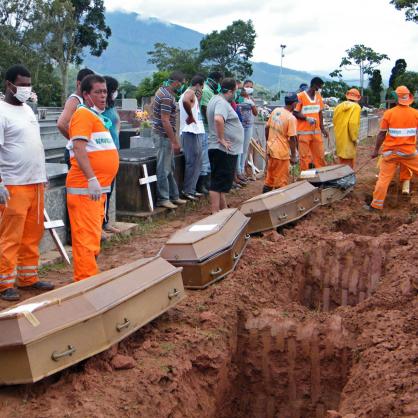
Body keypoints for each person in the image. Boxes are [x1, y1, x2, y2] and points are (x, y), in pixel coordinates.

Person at [0, 65, 54, 301]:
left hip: (36, 183)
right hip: (13, 184)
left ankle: (28, 277)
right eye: (21, 84)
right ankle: (4, 282)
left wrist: (43, 174)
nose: (25, 89)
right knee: (10, 236)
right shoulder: (1, 112)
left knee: (33, 234)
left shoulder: (28, 111)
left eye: (28, 84)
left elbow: (34, 145)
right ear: (9, 85)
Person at [66, 74, 119, 281]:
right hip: (85, 190)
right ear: (86, 94)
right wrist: (91, 178)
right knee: (86, 240)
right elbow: (79, 147)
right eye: (98, 92)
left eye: (105, 91)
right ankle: (85, 282)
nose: (103, 95)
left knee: (92, 238)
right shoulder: (83, 115)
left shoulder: (96, 116)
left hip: (96, 192)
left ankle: (89, 278)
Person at [369, 86, 418, 211]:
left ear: (396, 98)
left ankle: (376, 205)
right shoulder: (415, 114)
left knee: (383, 179)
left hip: (390, 153)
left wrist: (375, 151)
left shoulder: (389, 113)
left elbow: (381, 134)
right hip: (409, 153)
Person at [207, 78, 244, 213]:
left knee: (221, 182)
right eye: (236, 91)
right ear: (230, 91)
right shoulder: (221, 103)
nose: (236, 94)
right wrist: (221, 139)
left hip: (222, 149)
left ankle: (223, 210)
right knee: (217, 183)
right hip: (222, 149)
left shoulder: (216, 99)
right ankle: (215, 213)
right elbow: (218, 119)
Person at [152, 72, 187, 209]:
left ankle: (173, 195)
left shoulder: (162, 91)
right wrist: (174, 141)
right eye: (181, 83)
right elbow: (165, 120)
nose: (181, 86)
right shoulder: (166, 97)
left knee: (170, 167)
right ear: (176, 82)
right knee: (163, 168)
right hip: (163, 136)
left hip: (163, 135)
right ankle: (163, 198)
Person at [57, 68, 95, 166]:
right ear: (79, 83)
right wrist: (78, 142)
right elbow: (61, 124)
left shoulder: (83, 100)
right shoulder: (74, 100)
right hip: (74, 152)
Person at [263, 93, 299, 193]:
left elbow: (267, 128)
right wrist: (293, 156)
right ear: (294, 104)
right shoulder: (291, 118)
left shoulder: (276, 111)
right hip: (281, 153)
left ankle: (264, 200)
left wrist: (268, 142)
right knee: (281, 181)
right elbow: (292, 138)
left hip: (271, 150)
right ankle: (279, 203)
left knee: (270, 178)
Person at [179, 75, 205, 200]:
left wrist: (197, 101)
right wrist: (190, 116)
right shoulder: (190, 92)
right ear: (199, 84)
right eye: (203, 85)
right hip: (190, 132)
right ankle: (188, 190)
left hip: (195, 131)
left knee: (197, 162)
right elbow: (185, 101)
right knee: (192, 162)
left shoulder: (193, 95)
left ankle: (192, 189)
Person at [294, 77, 328, 171]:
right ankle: (305, 177)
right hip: (303, 132)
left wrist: (322, 128)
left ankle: (321, 175)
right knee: (305, 157)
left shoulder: (318, 96)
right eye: (319, 87)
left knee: (319, 155)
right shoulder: (300, 96)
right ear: (314, 85)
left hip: (316, 132)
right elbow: (295, 112)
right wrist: (306, 118)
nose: (319, 89)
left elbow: (320, 112)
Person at [198, 71, 223, 194]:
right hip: (206, 127)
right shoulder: (207, 91)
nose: (218, 84)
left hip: (208, 127)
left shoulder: (210, 90)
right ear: (214, 80)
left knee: (207, 156)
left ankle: (207, 183)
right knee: (205, 156)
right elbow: (204, 108)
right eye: (218, 81)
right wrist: (212, 123)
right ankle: (203, 184)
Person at [102, 76, 121, 234]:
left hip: (114, 150)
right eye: (114, 89)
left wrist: (116, 137)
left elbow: (117, 122)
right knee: (103, 191)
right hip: (104, 152)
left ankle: (106, 220)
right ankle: (101, 223)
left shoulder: (111, 106)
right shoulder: (99, 109)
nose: (116, 92)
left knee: (109, 189)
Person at [333, 88, 362, 169]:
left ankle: (342, 178)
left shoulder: (339, 106)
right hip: (348, 138)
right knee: (348, 161)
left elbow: (334, 121)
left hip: (339, 137)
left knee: (341, 160)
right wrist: (354, 138)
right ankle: (347, 180)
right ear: (358, 98)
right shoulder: (356, 107)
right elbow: (353, 123)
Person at [237, 80, 258, 182]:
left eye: (250, 87)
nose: (249, 88)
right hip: (239, 126)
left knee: (244, 149)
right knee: (238, 149)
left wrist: (252, 104)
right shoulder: (238, 98)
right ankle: (238, 172)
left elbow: (255, 113)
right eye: (247, 86)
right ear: (243, 87)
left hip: (248, 126)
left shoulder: (251, 99)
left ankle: (242, 170)